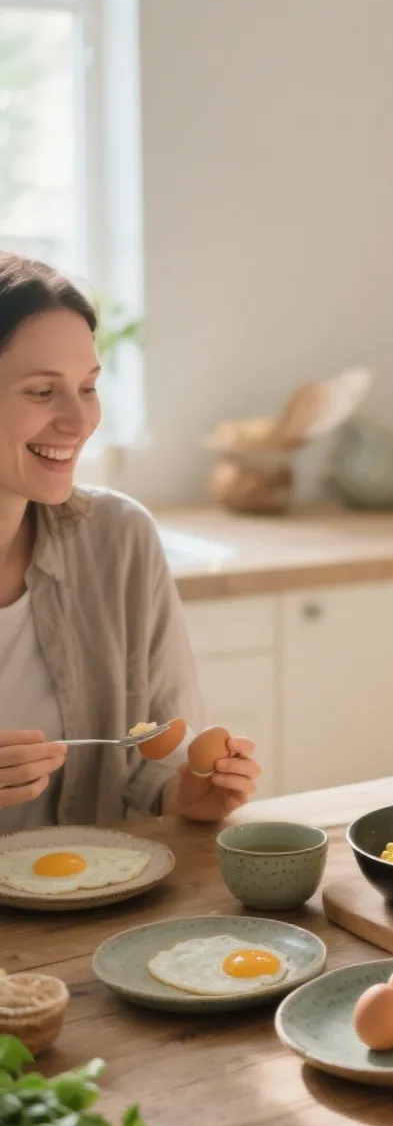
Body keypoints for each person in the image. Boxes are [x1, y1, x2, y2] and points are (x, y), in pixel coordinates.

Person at [0, 251, 261, 827]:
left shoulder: (118, 540)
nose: (80, 420)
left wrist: (187, 794)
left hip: (90, 910)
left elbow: (159, 751)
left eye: (88, 388)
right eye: (42, 392)